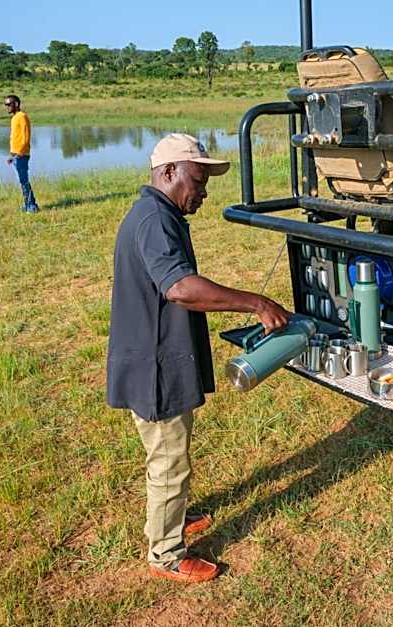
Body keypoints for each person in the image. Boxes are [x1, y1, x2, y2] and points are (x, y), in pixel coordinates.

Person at [106, 133, 291, 584]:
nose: (204, 192)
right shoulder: (155, 219)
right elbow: (180, 288)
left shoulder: (155, 213)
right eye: (198, 180)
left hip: (151, 358)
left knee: (167, 455)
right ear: (169, 172)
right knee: (169, 462)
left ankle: (170, 518)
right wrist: (256, 303)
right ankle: (166, 553)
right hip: (154, 369)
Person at [4, 94, 39, 213]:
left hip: (21, 155)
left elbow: (25, 138)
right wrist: (11, 155)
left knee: (24, 181)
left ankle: (31, 206)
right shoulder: (14, 118)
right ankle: (29, 204)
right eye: (6, 105)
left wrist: (19, 153)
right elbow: (16, 138)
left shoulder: (22, 116)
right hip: (15, 154)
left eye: (9, 104)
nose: (7, 107)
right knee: (22, 181)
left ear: (16, 104)